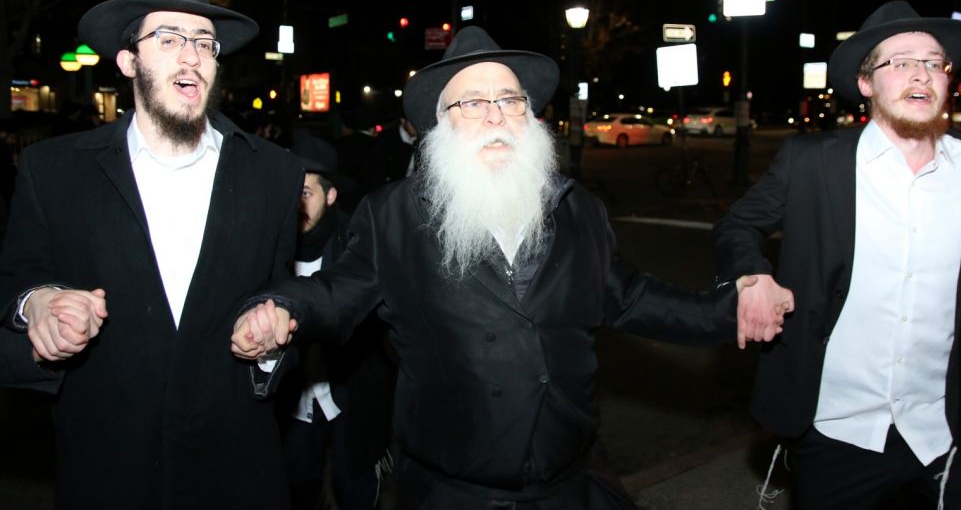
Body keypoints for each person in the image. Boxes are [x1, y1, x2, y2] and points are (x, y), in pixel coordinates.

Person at [233, 26, 792, 509]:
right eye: (473, 104)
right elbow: (336, 292)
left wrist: (732, 310)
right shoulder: (393, 216)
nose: (496, 116)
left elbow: (633, 297)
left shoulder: (577, 208)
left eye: (510, 100)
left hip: (570, 481)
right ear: (440, 125)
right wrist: (281, 307)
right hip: (454, 491)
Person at [0, 0, 305, 509]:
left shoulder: (275, 175)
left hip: (234, 471)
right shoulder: (54, 170)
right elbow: (16, 278)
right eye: (168, 39)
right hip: (106, 469)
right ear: (128, 61)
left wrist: (272, 342)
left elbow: (284, 300)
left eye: (204, 43)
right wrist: (38, 303)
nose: (192, 56)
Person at [714, 0, 961, 508]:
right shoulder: (812, 162)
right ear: (866, 83)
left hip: (949, 422)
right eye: (900, 62)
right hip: (840, 428)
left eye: (934, 62)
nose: (920, 73)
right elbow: (737, 224)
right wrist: (752, 276)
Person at [279, 130, 396, 509]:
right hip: (296, 394)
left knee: (355, 484)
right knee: (298, 484)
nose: (296, 203)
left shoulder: (358, 244)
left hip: (351, 388)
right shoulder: (273, 242)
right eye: (290, 192)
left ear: (330, 196)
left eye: (306, 193)